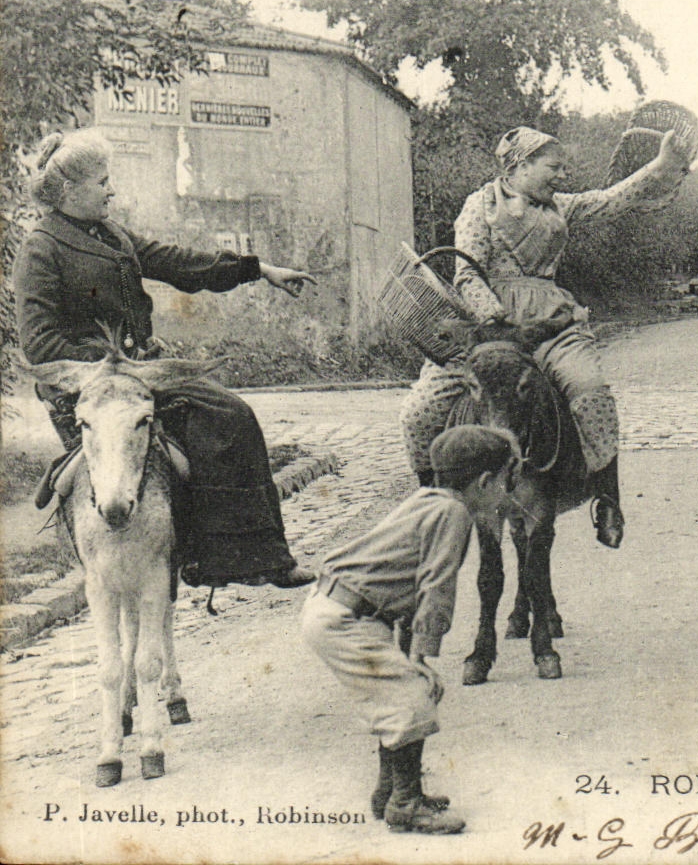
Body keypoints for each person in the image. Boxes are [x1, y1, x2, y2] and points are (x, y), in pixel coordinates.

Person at [14, 129, 316, 588]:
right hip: (89, 388)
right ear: (69, 191)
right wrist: (108, 365)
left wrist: (258, 270)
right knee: (201, 429)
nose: (111, 190)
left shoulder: (111, 234)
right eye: (102, 181)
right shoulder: (41, 248)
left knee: (233, 416)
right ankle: (201, 557)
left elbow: (177, 261)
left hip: (141, 372)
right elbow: (39, 344)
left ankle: (257, 558)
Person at [398, 125, 690, 549]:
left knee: (591, 391)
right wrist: (493, 321)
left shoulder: (562, 207)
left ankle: (608, 498)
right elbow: (467, 272)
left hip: (552, 323)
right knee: (419, 411)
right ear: (520, 167)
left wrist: (663, 166)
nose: (562, 176)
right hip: (490, 327)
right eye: (553, 167)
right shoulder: (479, 205)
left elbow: (613, 199)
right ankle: (428, 503)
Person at [301, 424, 517, 835]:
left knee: (399, 694)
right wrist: (422, 653)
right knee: (411, 695)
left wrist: (412, 652)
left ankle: (390, 791)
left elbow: (410, 581)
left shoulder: (426, 500)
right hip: (346, 619)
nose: (507, 491)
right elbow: (436, 585)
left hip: (335, 607)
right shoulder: (454, 514)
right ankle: (406, 803)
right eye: (506, 481)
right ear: (486, 481)